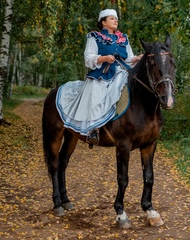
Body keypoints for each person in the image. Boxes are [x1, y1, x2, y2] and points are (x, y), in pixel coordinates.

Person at [56, 9, 142, 146]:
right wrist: (104, 58)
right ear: (103, 22)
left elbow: (128, 58)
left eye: (116, 18)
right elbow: (88, 58)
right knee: (96, 92)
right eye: (112, 18)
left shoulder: (123, 38)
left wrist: (136, 58)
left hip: (122, 71)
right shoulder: (94, 37)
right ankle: (93, 129)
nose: (116, 20)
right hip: (102, 73)